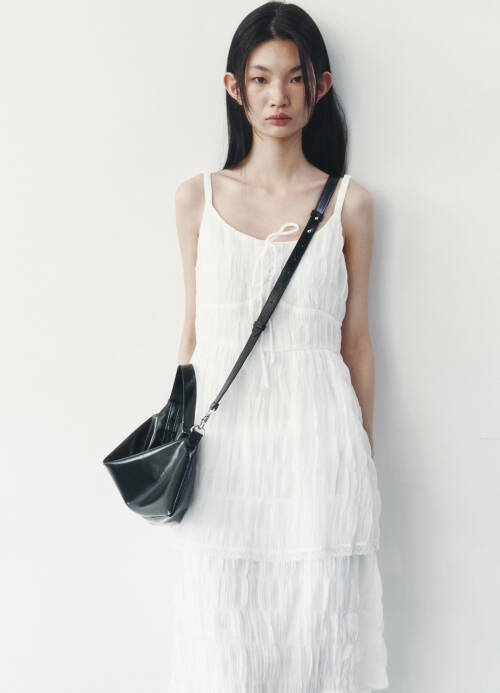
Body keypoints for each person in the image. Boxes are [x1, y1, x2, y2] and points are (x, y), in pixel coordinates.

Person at [163, 2, 389, 691]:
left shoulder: (349, 204)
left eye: (295, 78)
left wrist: (363, 463)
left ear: (320, 87)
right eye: (261, 79)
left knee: (318, 651)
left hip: (319, 453)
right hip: (225, 461)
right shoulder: (197, 198)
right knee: (225, 653)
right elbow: (194, 334)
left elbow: (356, 346)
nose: (278, 96)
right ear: (235, 88)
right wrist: (174, 440)